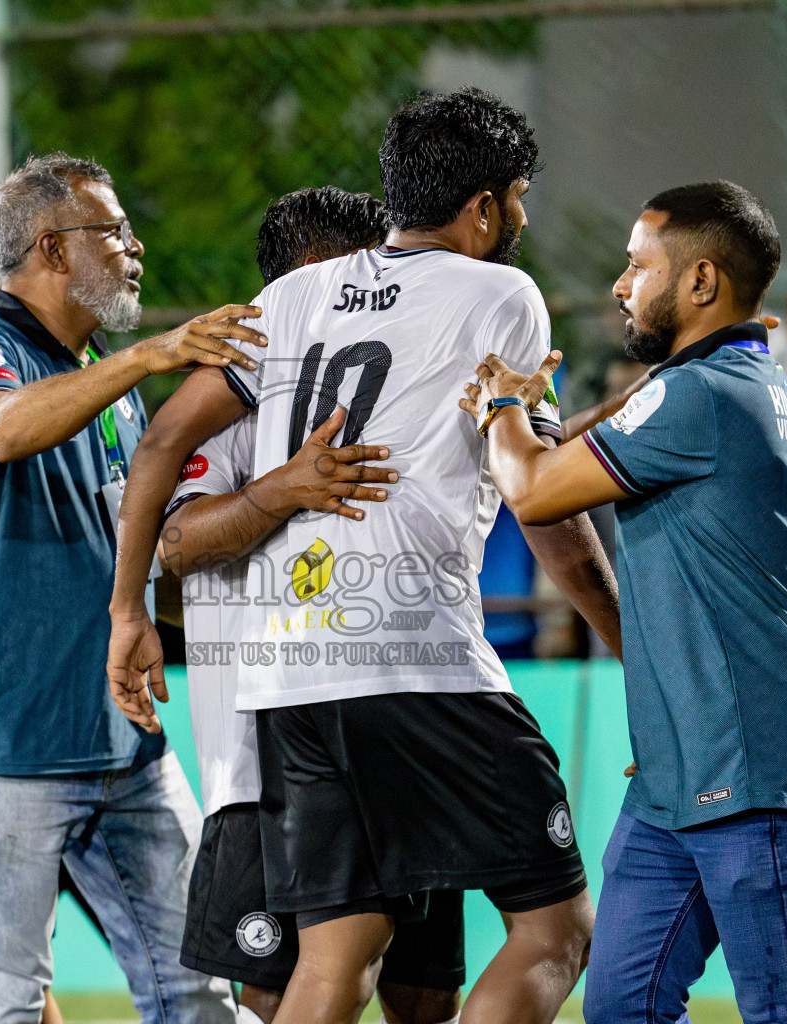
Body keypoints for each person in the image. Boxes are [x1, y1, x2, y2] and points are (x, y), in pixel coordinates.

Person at [109, 89, 622, 1024]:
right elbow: (539, 501)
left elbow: (156, 446)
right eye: (518, 198)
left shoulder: (290, 297)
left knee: (338, 956)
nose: (521, 218)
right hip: (418, 661)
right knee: (558, 929)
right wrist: (630, 641)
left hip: (289, 684)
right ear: (484, 206)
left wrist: (127, 615)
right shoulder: (502, 294)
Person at [467, 180, 787, 1024]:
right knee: (622, 1007)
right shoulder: (753, 395)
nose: (619, 284)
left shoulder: (700, 398)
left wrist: (502, 402)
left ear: (701, 282)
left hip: (755, 777)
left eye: (638, 265)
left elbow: (532, 492)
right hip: (680, 777)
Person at [0, 152, 253, 1024]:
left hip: (127, 735)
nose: (135, 247)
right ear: (52, 249)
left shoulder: (105, 378)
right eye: (114, 230)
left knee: (196, 985)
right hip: (11, 739)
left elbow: (133, 547)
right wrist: (149, 358)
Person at [165, 186, 465, 1024]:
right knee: (271, 987)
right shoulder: (230, 399)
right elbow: (177, 545)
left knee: (424, 990)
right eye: (359, 276)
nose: (379, 295)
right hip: (264, 758)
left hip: (405, 731)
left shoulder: (404, 385)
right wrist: (284, 490)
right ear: (300, 280)